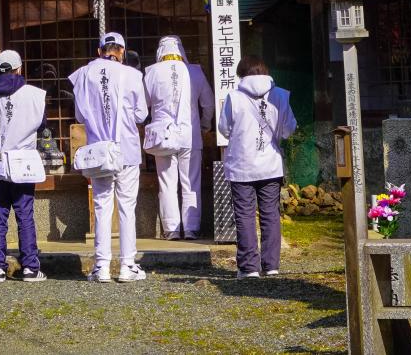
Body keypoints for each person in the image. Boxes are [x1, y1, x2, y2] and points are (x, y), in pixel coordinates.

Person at [70, 31, 150, 283]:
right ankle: (128, 266)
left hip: (100, 152)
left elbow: (80, 117)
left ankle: (101, 266)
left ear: (99, 51)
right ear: (122, 52)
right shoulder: (133, 75)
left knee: (102, 206)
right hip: (126, 150)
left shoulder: (83, 74)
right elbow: (141, 115)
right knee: (127, 207)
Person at [219, 55, 297, 277]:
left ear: (241, 74)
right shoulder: (280, 95)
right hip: (270, 165)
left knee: (244, 215)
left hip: (242, 166)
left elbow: (224, 129)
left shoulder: (233, 97)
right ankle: (271, 266)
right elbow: (289, 128)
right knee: (270, 214)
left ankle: (249, 268)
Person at [143, 35, 216, 240]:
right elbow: (208, 104)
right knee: (191, 182)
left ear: (160, 51)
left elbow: (142, 106)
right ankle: (191, 228)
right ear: (181, 50)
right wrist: (204, 125)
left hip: (162, 136)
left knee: (166, 182)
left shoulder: (151, 72)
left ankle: (171, 229)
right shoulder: (195, 72)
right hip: (190, 136)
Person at [0, 49, 48, 282]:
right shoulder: (35, 95)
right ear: (19, 68)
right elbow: (42, 126)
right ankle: (30, 266)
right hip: (23, 163)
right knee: (25, 215)